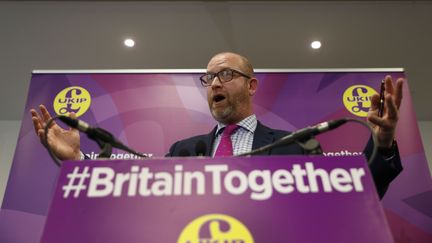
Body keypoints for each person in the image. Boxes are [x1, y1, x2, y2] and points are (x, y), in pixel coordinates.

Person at [31, 52, 404, 198]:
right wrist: (77, 159)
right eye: (208, 79)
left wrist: (383, 142)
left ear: (252, 84)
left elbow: (352, 197)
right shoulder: (183, 151)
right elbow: (131, 189)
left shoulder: (295, 146)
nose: (214, 84)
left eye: (225, 74)